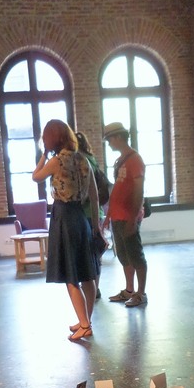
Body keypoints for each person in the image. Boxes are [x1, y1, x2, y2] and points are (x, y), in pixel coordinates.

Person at [32, 120, 100, 342]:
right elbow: (95, 196)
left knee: (71, 276)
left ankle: (85, 325)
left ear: (52, 139)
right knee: (87, 273)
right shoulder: (83, 160)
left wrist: (43, 155)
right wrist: (96, 226)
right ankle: (85, 320)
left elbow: (35, 176)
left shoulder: (56, 161)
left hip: (63, 216)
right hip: (81, 217)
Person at [102, 122, 148, 307]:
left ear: (119, 137)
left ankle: (141, 293)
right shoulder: (121, 160)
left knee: (136, 256)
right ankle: (129, 290)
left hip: (128, 217)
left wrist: (132, 218)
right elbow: (118, 190)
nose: (109, 143)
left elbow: (138, 191)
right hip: (118, 216)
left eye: (109, 139)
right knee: (123, 256)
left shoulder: (135, 160)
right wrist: (109, 216)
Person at [75, 131, 108, 299]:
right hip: (98, 212)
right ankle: (96, 287)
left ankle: (89, 288)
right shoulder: (92, 159)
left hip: (85, 213)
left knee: (86, 255)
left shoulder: (79, 161)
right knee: (95, 253)